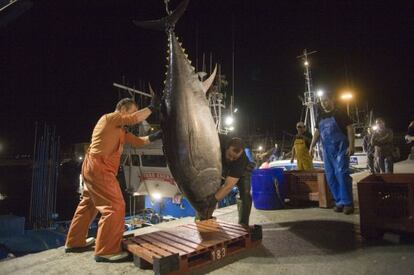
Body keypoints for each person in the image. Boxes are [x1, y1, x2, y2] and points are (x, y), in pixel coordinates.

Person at [65, 97, 161, 262]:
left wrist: (157, 136)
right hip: (100, 169)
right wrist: (152, 108)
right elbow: (134, 118)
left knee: (89, 204)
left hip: (92, 168)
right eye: (133, 110)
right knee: (115, 206)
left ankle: (75, 242)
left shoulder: (121, 130)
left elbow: (138, 142)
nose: (135, 116)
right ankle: (106, 250)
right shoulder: (110, 118)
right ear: (123, 109)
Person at [309, 92, 355, 214]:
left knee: (341, 173)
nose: (323, 103)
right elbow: (317, 132)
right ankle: (339, 201)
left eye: (325, 100)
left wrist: (351, 145)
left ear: (332, 99)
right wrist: (311, 146)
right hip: (327, 150)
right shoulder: (320, 116)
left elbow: (350, 128)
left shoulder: (340, 113)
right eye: (322, 101)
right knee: (330, 176)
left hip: (341, 148)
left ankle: (348, 203)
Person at [203, 135, 255, 227]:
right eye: (230, 155)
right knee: (212, 191)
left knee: (245, 193)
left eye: (234, 158)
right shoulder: (216, 141)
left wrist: (213, 201)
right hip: (223, 166)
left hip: (243, 170)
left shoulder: (240, 161)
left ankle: (243, 224)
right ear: (226, 148)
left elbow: (228, 186)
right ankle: (204, 218)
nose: (231, 159)